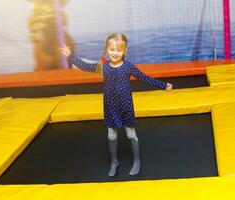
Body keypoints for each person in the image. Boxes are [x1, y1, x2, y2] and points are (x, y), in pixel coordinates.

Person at [60, 32, 173, 177]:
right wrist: (70, 56)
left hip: (126, 106)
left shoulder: (128, 67)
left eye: (118, 50)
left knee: (131, 134)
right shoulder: (103, 67)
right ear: (107, 49)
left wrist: (163, 85)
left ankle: (137, 160)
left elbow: (145, 78)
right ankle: (114, 161)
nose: (115, 53)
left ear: (124, 51)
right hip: (111, 106)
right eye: (112, 49)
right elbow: (85, 66)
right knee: (111, 136)